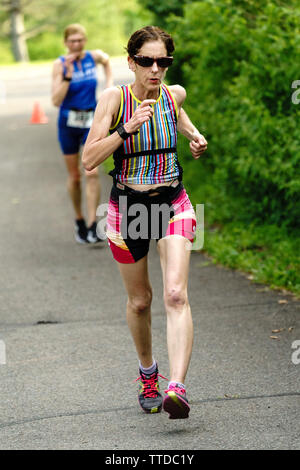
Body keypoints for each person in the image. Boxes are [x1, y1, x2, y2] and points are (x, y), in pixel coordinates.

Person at [82, 26, 207, 419]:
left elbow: (177, 113)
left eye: (163, 61)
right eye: (147, 61)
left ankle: (177, 387)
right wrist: (126, 129)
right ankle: (148, 373)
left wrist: (194, 135)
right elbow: (88, 160)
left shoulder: (174, 93)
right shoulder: (113, 99)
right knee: (141, 301)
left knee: (175, 294)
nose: (156, 69)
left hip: (173, 202)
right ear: (131, 61)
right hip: (129, 208)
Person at [51, 24, 113, 244]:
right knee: (75, 177)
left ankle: (91, 225)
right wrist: (67, 77)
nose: (76, 45)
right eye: (72, 41)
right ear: (66, 43)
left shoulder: (92, 57)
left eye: (80, 40)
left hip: (90, 121)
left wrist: (109, 85)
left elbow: (106, 61)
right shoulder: (59, 65)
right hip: (68, 122)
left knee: (92, 173)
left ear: (85, 40)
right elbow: (56, 100)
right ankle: (79, 219)